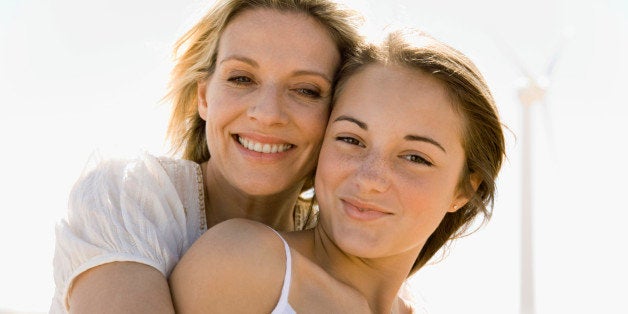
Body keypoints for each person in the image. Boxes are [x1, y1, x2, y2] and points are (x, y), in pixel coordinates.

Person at [50, 0, 362, 312]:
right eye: (241, 78)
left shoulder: (348, 249)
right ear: (204, 97)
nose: (267, 114)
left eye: (306, 90)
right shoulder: (129, 199)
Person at [169, 28, 506, 313]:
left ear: (465, 190)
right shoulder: (246, 264)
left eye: (415, 158)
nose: (370, 179)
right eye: (350, 139)